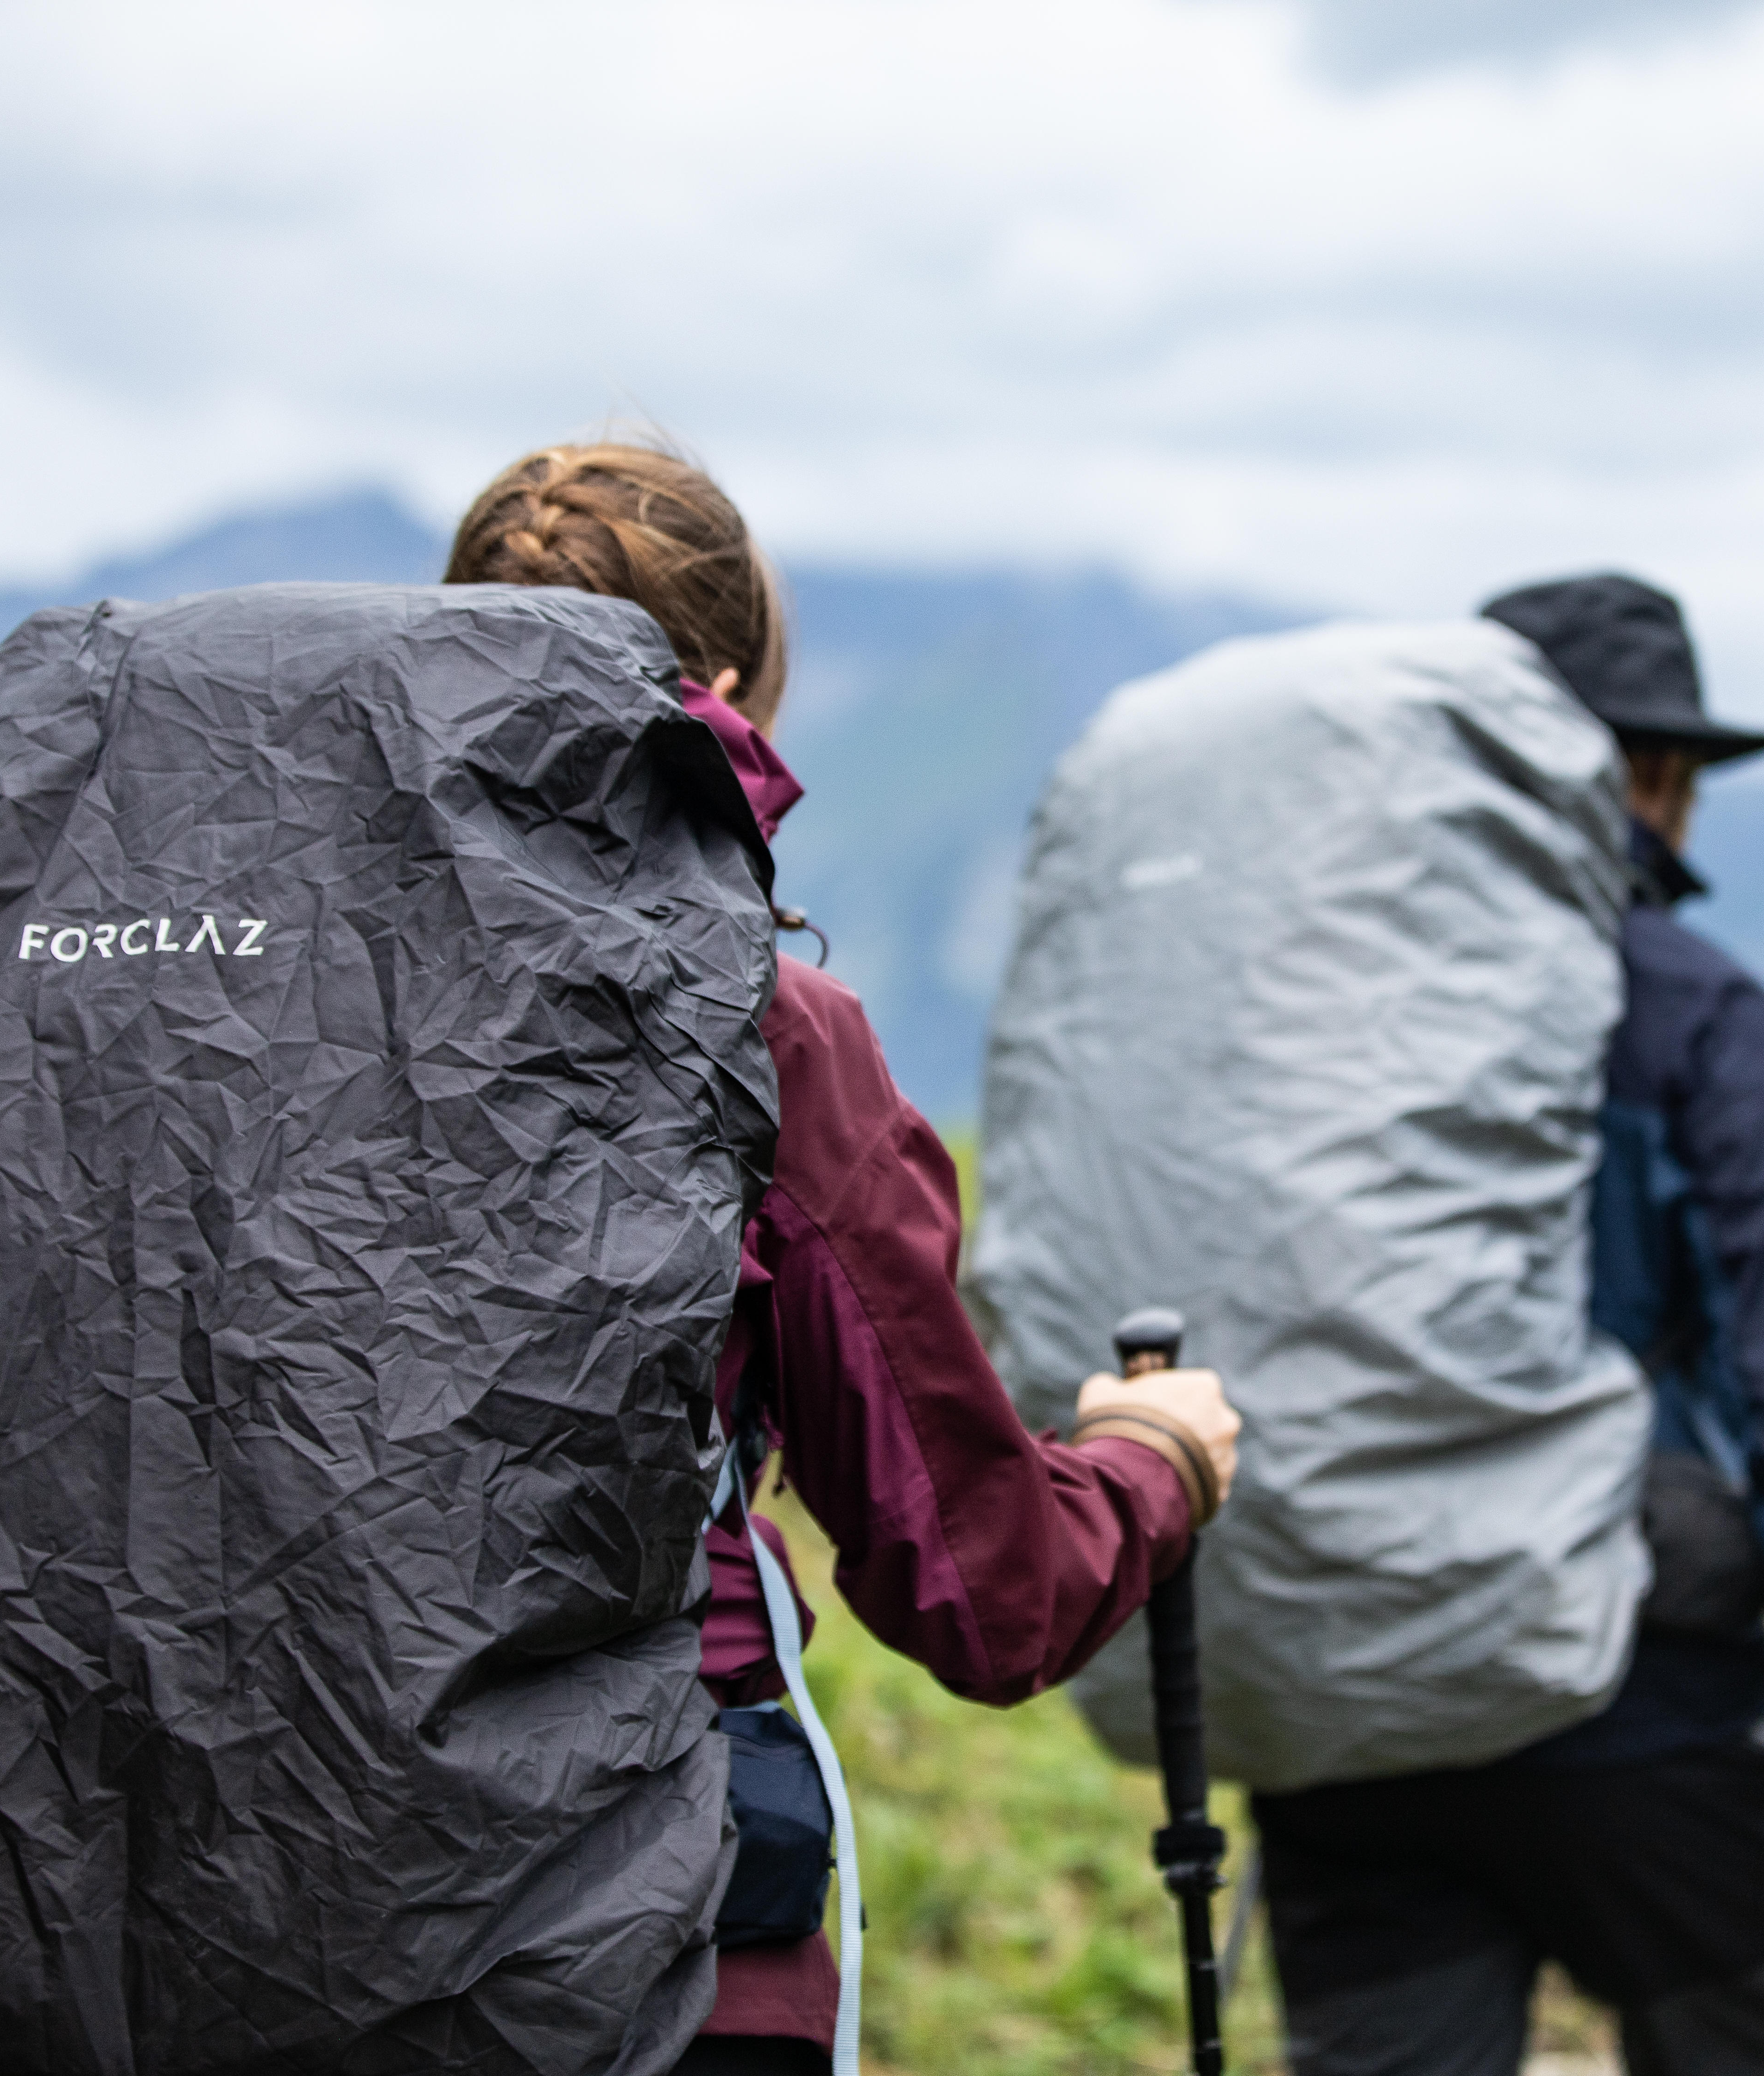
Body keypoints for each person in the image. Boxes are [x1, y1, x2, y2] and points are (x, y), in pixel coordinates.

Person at [442, 440, 1242, 2076]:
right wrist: (1155, 1467)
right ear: (722, 691)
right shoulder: (765, 1040)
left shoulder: (247, 1020)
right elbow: (984, 1585)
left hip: (268, 1890)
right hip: (655, 1926)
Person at [1245, 573, 1764, 2076]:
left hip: (1357, 1706)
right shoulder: (1704, 1021)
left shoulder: (1307, 1015)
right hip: (1646, 1710)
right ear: (1645, 778)